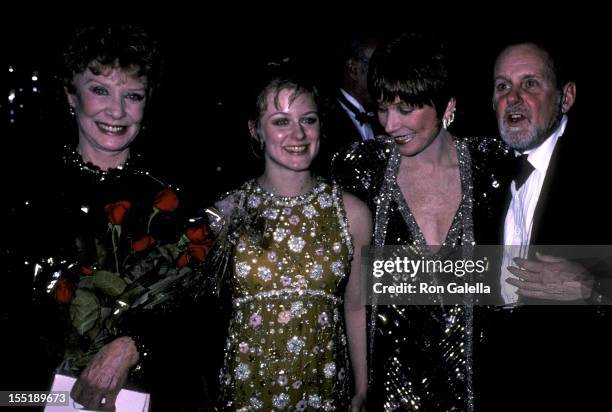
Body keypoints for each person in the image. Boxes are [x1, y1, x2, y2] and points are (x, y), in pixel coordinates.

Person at [5, 25, 209, 411]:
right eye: (100, 90)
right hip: (29, 395)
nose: (117, 111)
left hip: (148, 398)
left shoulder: (173, 204)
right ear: (70, 95)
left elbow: (202, 318)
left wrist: (135, 344)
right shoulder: (25, 195)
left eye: (132, 96)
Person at [332, 33, 510, 411]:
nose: (390, 125)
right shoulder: (362, 169)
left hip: (481, 388)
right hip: (389, 392)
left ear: (447, 105)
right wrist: (361, 389)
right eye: (382, 108)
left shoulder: (492, 165)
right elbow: (356, 298)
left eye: (406, 108)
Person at [210, 71, 370, 410]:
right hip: (246, 392)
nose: (298, 134)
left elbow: (356, 307)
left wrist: (362, 387)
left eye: (308, 120)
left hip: (324, 391)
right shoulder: (225, 214)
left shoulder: (352, 212)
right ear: (255, 129)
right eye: (281, 121)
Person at [479, 39, 612, 410]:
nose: (514, 98)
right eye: (502, 86)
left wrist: (594, 288)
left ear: (565, 97)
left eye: (531, 84)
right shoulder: (483, 172)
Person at [313, 34, 381, 177]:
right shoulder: (323, 121)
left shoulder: (387, 119)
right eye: (378, 66)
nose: (384, 75)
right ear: (353, 69)